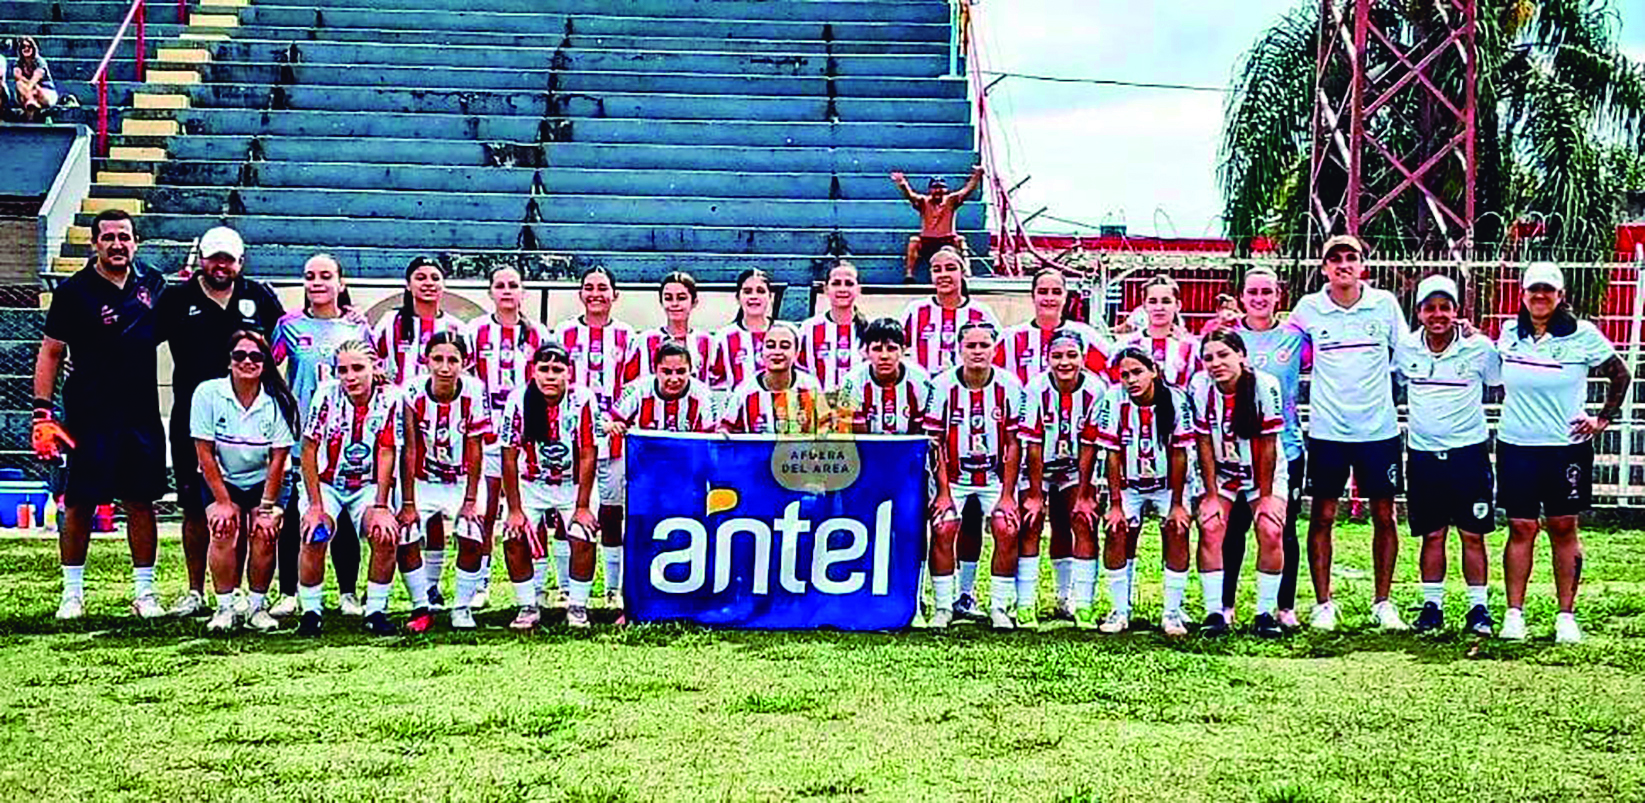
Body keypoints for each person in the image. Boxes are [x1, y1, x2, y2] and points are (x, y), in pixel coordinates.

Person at [32, 209, 168, 619]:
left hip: (141, 411)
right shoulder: (75, 291)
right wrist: (42, 413)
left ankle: (145, 593)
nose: (116, 244)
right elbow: (51, 352)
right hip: (89, 413)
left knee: (140, 500)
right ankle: (72, 593)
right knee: (80, 501)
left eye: (123, 237)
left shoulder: (153, 284)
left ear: (135, 241)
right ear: (94, 243)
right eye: (107, 237)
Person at [1494, 262, 1631, 643]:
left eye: (1548, 291)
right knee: (1521, 527)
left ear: (1560, 295)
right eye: (1533, 290)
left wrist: (1602, 419)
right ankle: (1514, 614)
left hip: (1564, 448)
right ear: (1522, 295)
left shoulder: (1583, 335)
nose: (1540, 297)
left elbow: (1620, 373)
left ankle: (1565, 615)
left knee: (1562, 526)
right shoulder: (1509, 333)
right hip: (1516, 444)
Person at [155, 227, 285, 618]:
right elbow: (137, 338)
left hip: (252, 420)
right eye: (214, 257)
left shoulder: (258, 295)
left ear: (240, 262)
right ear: (202, 260)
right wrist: (91, 354)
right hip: (196, 421)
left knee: (252, 511)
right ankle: (197, 590)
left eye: (228, 258)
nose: (221, 265)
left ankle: (247, 595)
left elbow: (290, 339)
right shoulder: (177, 297)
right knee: (197, 508)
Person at [1286, 235, 1408, 631]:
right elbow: (1279, 346)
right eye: (1334, 259)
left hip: (1378, 429)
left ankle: (1383, 602)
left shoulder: (1384, 304)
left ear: (1362, 266)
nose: (1343, 265)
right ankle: (1323, 604)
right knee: (1321, 516)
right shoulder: (1308, 309)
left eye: (1350, 258)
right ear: (1323, 268)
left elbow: (1408, 353)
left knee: (1384, 515)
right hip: (1327, 431)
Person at [995, 265, 1109, 614]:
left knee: (1069, 521)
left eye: (1055, 291)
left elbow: (1113, 375)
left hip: (1075, 454)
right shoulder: (1011, 339)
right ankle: (1022, 601)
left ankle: (1066, 598)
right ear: (1032, 295)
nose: (1048, 297)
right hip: (1029, 450)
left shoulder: (1086, 337)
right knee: (1028, 522)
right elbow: (995, 383)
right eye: (1042, 291)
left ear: (1065, 296)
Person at [1392, 275, 1502, 635]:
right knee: (1433, 534)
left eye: (1445, 307)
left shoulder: (1479, 348)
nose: (1438, 315)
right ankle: (1432, 606)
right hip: (1423, 455)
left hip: (1467, 454)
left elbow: (1500, 381)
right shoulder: (1406, 348)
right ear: (1419, 312)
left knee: (1473, 535)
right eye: (1430, 308)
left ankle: (1478, 609)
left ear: (1457, 311)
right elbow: (1393, 382)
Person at [272, 254, 373, 617]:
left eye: (326, 276)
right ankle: (289, 592)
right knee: (300, 514)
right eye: (310, 276)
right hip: (304, 437)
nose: (317, 282)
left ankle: (348, 592)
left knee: (343, 514)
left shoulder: (357, 328)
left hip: (347, 441)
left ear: (340, 283)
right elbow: (269, 369)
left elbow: (374, 377)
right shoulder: (289, 325)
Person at [1214, 267, 1309, 628]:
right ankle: (1225, 604)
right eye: (1252, 292)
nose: (1259, 298)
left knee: (1281, 529)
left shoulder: (1296, 338)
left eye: (1266, 292)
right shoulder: (1228, 338)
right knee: (1233, 528)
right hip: (1233, 453)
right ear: (1242, 297)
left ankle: (1283, 606)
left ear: (1277, 297)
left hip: (1285, 446)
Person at [294, 339, 406, 636]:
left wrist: (381, 506)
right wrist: (315, 506)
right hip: (326, 482)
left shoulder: (391, 397)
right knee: (314, 534)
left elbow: (387, 450)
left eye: (358, 368)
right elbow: (308, 449)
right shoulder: (326, 395)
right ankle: (311, 612)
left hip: (367, 484)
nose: (350, 377)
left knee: (384, 534)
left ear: (375, 368)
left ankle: (376, 611)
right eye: (342, 370)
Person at [192, 331, 299, 632]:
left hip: (266, 480)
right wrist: (223, 502)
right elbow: (204, 452)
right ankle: (225, 607)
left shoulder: (278, 401)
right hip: (222, 478)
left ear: (266, 363)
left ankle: (256, 607)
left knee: (265, 533)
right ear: (228, 361)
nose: (247, 362)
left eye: (256, 356)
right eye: (239, 355)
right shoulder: (207, 393)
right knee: (223, 528)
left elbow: (278, 459)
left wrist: (267, 508)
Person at [924, 322, 1023, 629]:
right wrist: (942, 492)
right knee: (943, 527)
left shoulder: (1009, 385)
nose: (977, 352)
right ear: (960, 350)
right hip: (952, 476)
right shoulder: (941, 386)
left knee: (1006, 528)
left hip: (994, 477)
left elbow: (1013, 443)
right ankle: (944, 605)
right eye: (971, 346)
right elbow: (935, 441)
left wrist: (1007, 495)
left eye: (984, 346)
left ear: (994, 350)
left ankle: (998, 606)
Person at [1090, 348, 1195, 634]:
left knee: (1177, 529)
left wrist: (1176, 504)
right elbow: (1111, 454)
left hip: (1168, 485)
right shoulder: (1114, 399)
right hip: (1128, 484)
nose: (1131, 380)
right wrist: (1114, 504)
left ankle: (1172, 612)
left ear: (1153, 371)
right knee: (1115, 530)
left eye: (1137, 372)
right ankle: (1119, 610)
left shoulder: (1176, 399)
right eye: (1125, 375)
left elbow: (1179, 454)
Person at [1190, 330, 1289, 637]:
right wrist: (1209, 494)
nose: (1216, 363)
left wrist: (1267, 496)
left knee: (1270, 528)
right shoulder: (1200, 387)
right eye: (1208, 357)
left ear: (1241, 356)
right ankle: (1214, 613)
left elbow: (1269, 443)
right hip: (1222, 473)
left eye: (1223, 355)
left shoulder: (1264, 384)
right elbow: (1204, 444)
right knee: (1210, 526)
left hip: (1262, 472)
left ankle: (1265, 613)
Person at [463, 266, 548, 610]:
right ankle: (481, 581)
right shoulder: (475, 331)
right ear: (490, 293)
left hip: (526, 437)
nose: (507, 291)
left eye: (513, 285)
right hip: (485, 433)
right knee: (486, 510)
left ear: (523, 292)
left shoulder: (536, 332)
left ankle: (538, 585)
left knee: (527, 510)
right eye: (500, 285)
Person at [500, 343, 602, 629]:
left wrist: (582, 506)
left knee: (583, 534)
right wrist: (515, 509)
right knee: (513, 535)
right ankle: (527, 606)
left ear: (569, 373)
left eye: (557, 370)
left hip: (573, 485)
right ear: (533, 372)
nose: (550, 376)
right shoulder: (518, 399)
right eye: (544, 369)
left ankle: (578, 606)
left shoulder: (583, 399)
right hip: (532, 483)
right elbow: (509, 454)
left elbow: (588, 452)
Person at [553, 266, 636, 614]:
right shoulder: (564, 332)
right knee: (567, 511)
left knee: (612, 513)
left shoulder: (628, 336)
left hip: (613, 435)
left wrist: (615, 418)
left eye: (603, 288)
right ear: (580, 294)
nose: (596, 294)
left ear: (615, 295)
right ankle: (565, 587)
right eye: (589, 288)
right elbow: (553, 382)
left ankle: (612, 589)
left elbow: (633, 384)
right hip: (572, 437)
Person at [1016, 330, 1104, 629]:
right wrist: (1036, 494)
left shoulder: (1096, 389)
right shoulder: (1035, 388)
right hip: (1038, 466)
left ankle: (1076, 602)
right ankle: (1025, 604)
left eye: (1071, 355)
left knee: (1081, 521)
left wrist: (1083, 494)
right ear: (1047, 359)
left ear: (1082, 357)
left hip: (1075, 469)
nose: (1064, 362)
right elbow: (1033, 444)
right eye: (1057, 356)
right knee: (1031, 522)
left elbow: (1091, 444)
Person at [400, 332, 489, 630]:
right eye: (438, 359)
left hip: (462, 480)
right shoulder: (411, 391)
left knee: (473, 534)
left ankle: (462, 608)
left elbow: (476, 447)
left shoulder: (475, 391)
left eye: (453, 360)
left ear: (465, 363)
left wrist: (470, 501)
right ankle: (420, 606)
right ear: (426, 361)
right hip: (423, 480)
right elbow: (410, 448)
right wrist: (409, 502)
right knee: (406, 534)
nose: (445, 367)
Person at [900, 247, 1000, 375]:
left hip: (967, 388)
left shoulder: (981, 312)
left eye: (950, 268)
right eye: (937, 270)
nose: (943, 274)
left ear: (962, 273)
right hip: (926, 388)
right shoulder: (915, 310)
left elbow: (999, 350)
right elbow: (896, 346)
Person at [719, 322, 830, 435]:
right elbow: (725, 429)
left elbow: (826, 425)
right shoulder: (745, 391)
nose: (777, 352)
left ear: (796, 353)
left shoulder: (810, 386)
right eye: (771, 346)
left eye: (785, 346)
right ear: (762, 352)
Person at [372, 256, 464, 386]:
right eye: (421, 278)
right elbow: (370, 355)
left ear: (443, 285)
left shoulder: (455, 327)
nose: (429, 283)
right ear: (408, 285)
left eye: (435, 278)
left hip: (440, 402)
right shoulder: (390, 321)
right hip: (397, 401)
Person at [891, 166, 983, 282]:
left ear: (946, 189)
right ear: (930, 189)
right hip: (927, 241)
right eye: (935, 187)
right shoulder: (923, 201)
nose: (938, 190)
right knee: (914, 241)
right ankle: (909, 275)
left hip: (947, 240)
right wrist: (903, 184)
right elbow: (911, 196)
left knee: (960, 240)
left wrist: (977, 175)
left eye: (941, 187)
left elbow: (967, 190)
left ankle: (965, 273)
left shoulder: (951, 200)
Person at [625, 271, 714, 384]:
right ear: (661, 302)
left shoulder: (706, 341)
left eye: (681, 298)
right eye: (668, 298)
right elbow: (627, 378)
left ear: (694, 302)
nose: (674, 304)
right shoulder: (645, 340)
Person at [613, 341, 718, 435]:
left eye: (681, 372)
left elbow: (712, 437)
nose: (674, 379)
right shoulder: (638, 389)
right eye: (667, 372)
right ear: (655, 370)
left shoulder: (703, 394)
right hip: (647, 454)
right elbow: (609, 420)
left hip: (690, 455)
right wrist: (613, 426)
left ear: (690, 370)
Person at [1112, 274, 1199, 388]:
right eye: (1153, 301)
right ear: (1144, 306)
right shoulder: (1124, 346)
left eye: (1166, 301)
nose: (1159, 308)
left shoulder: (1192, 347)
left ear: (1177, 305)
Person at [798, 261, 868, 395]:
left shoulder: (869, 330)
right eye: (836, 283)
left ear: (858, 289)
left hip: (859, 410)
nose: (842, 289)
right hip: (817, 408)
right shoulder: (808, 328)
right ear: (825, 289)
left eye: (849, 283)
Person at [710, 269, 775, 391]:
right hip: (739, 408)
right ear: (738, 297)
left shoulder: (786, 332)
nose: (754, 297)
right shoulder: (724, 337)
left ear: (770, 296)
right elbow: (715, 380)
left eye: (760, 291)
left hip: (780, 407)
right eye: (747, 292)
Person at [10, 37, 58, 122]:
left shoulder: (40, 62)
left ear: (34, 48)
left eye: (29, 46)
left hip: (44, 93)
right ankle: (31, 104)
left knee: (36, 88)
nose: (26, 49)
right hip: (25, 95)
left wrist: (31, 89)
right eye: (23, 47)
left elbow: (34, 80)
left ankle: (32, 107)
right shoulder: (18, 63)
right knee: (19, 85)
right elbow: (17, 77)